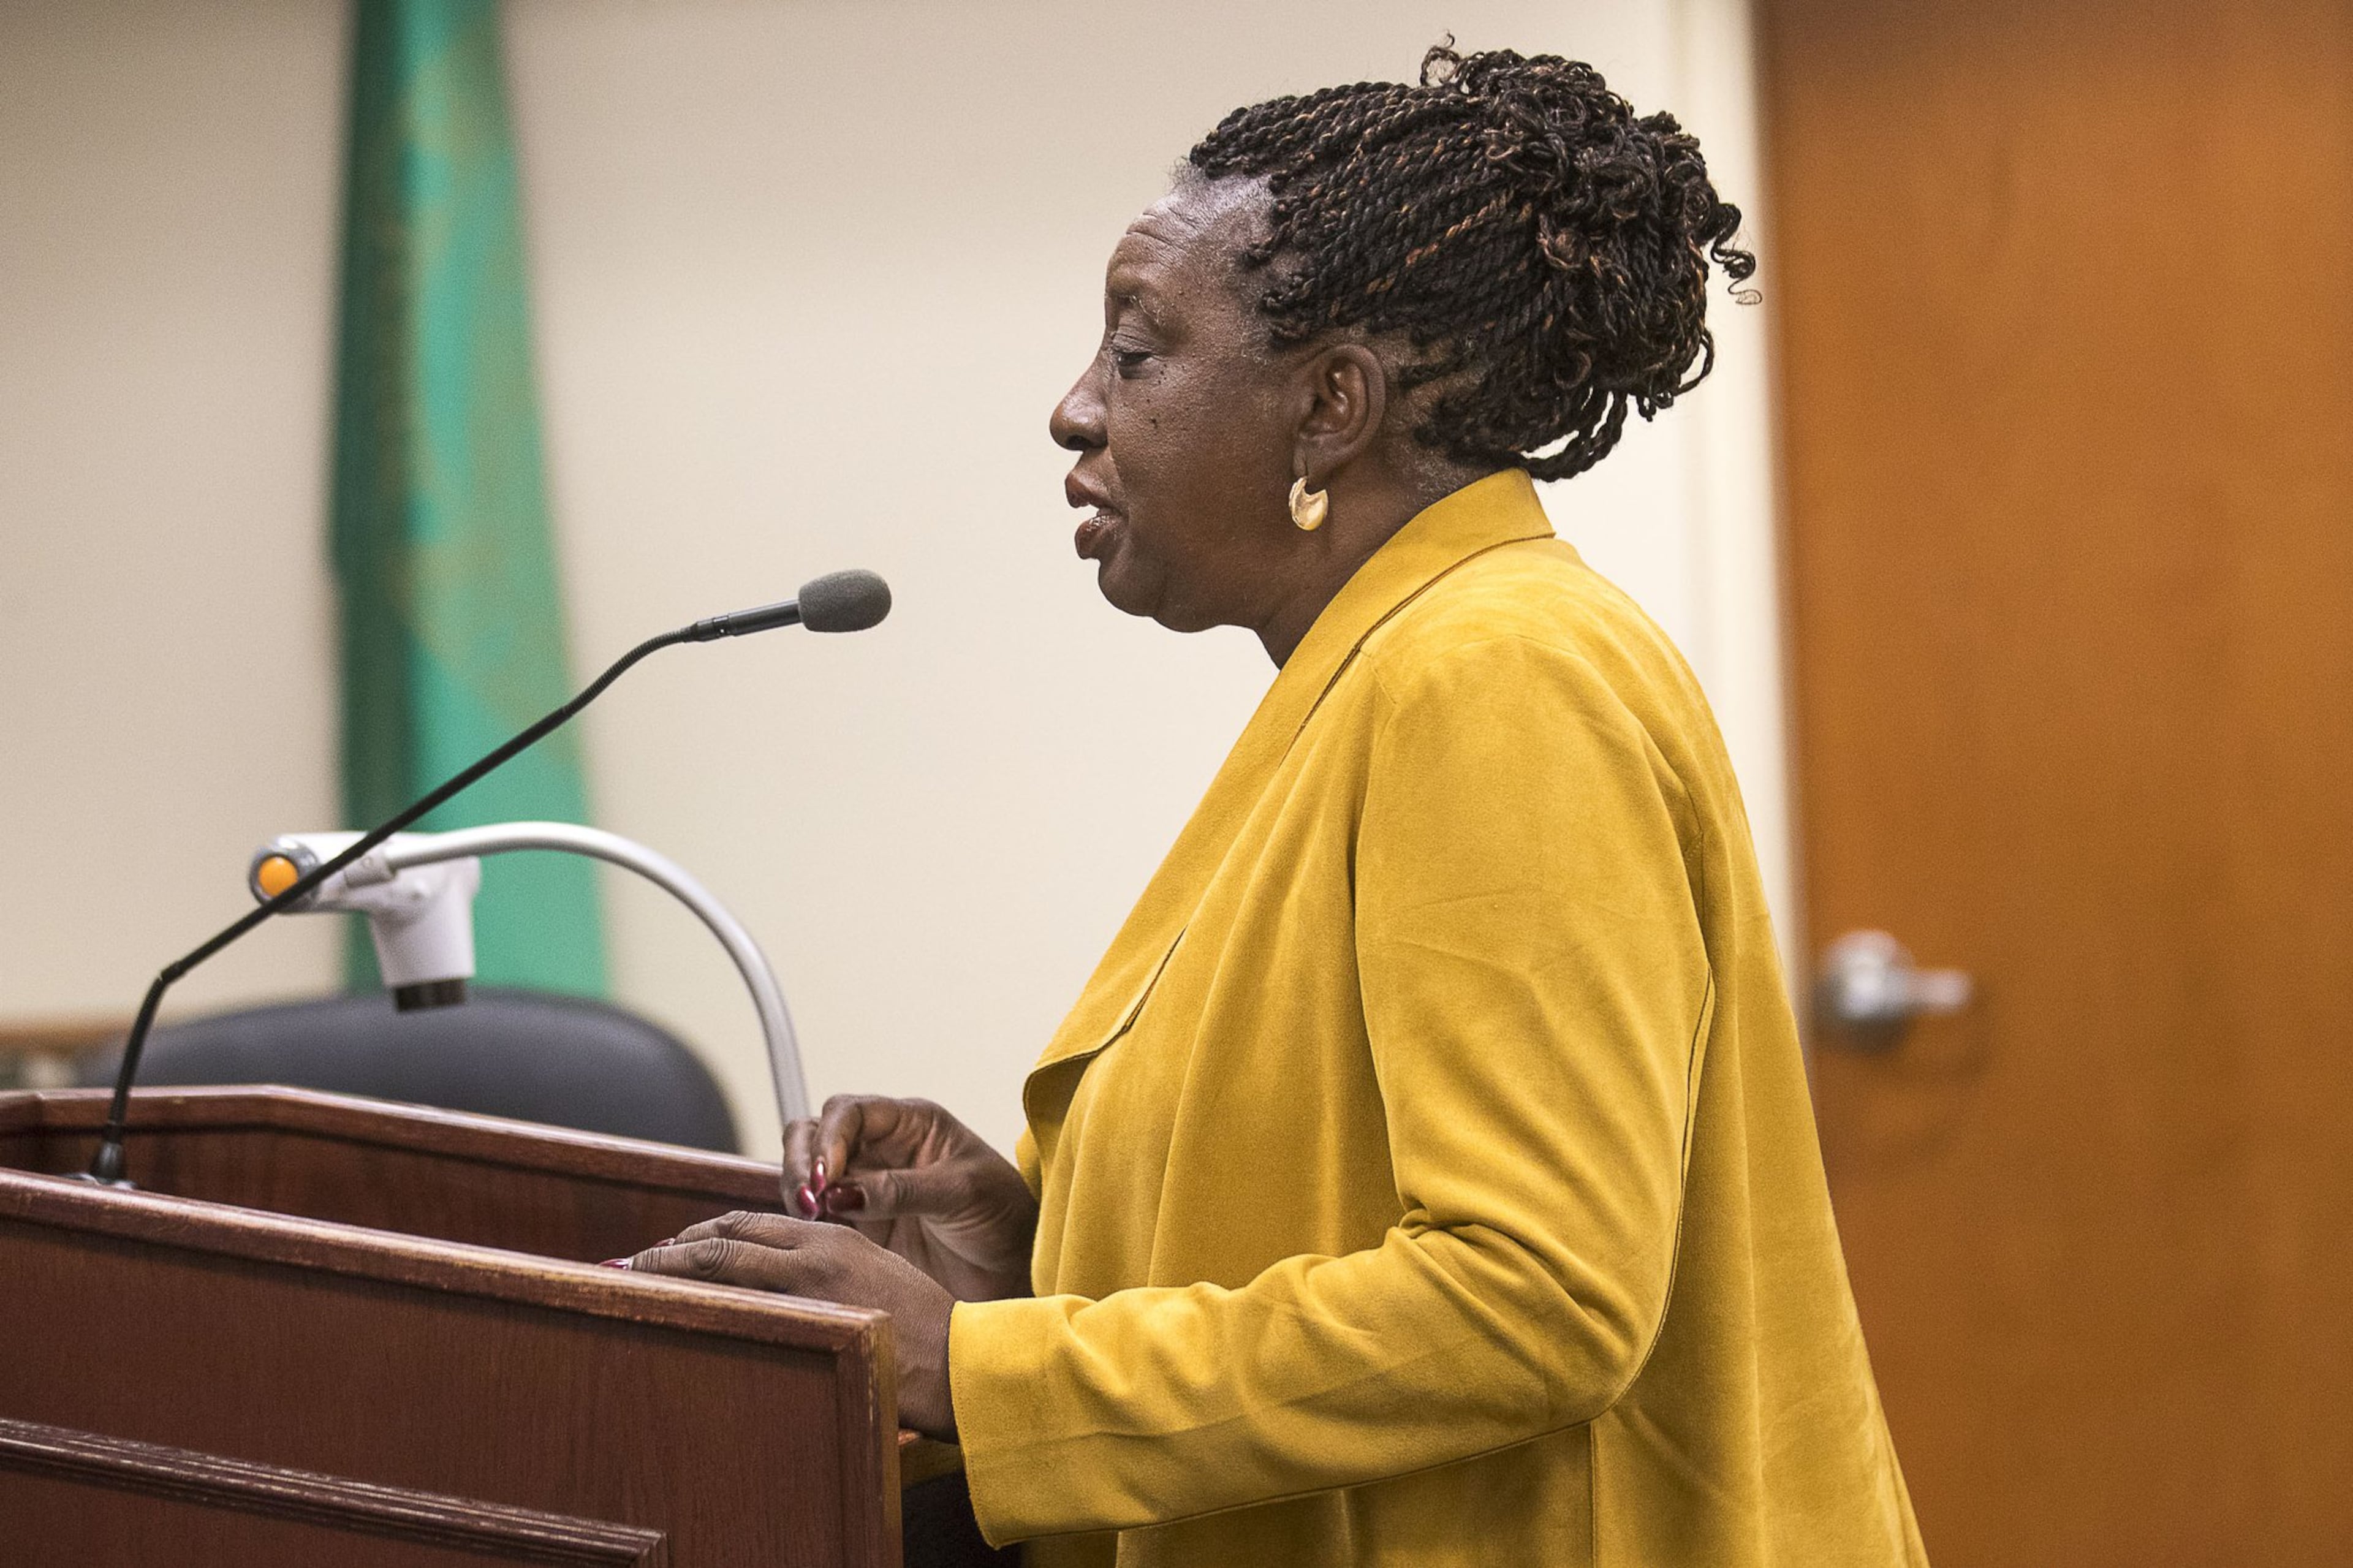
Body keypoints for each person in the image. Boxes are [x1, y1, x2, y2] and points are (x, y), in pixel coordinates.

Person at [625, 45, 1930, 1567]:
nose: (1072, 410)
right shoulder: (1385, 667)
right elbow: (1336, 1192)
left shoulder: (1498, 671)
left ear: (1330, 409)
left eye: (1137, 352)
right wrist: (1037, 1251)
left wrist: (976, 1375)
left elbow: (1535, 1294)